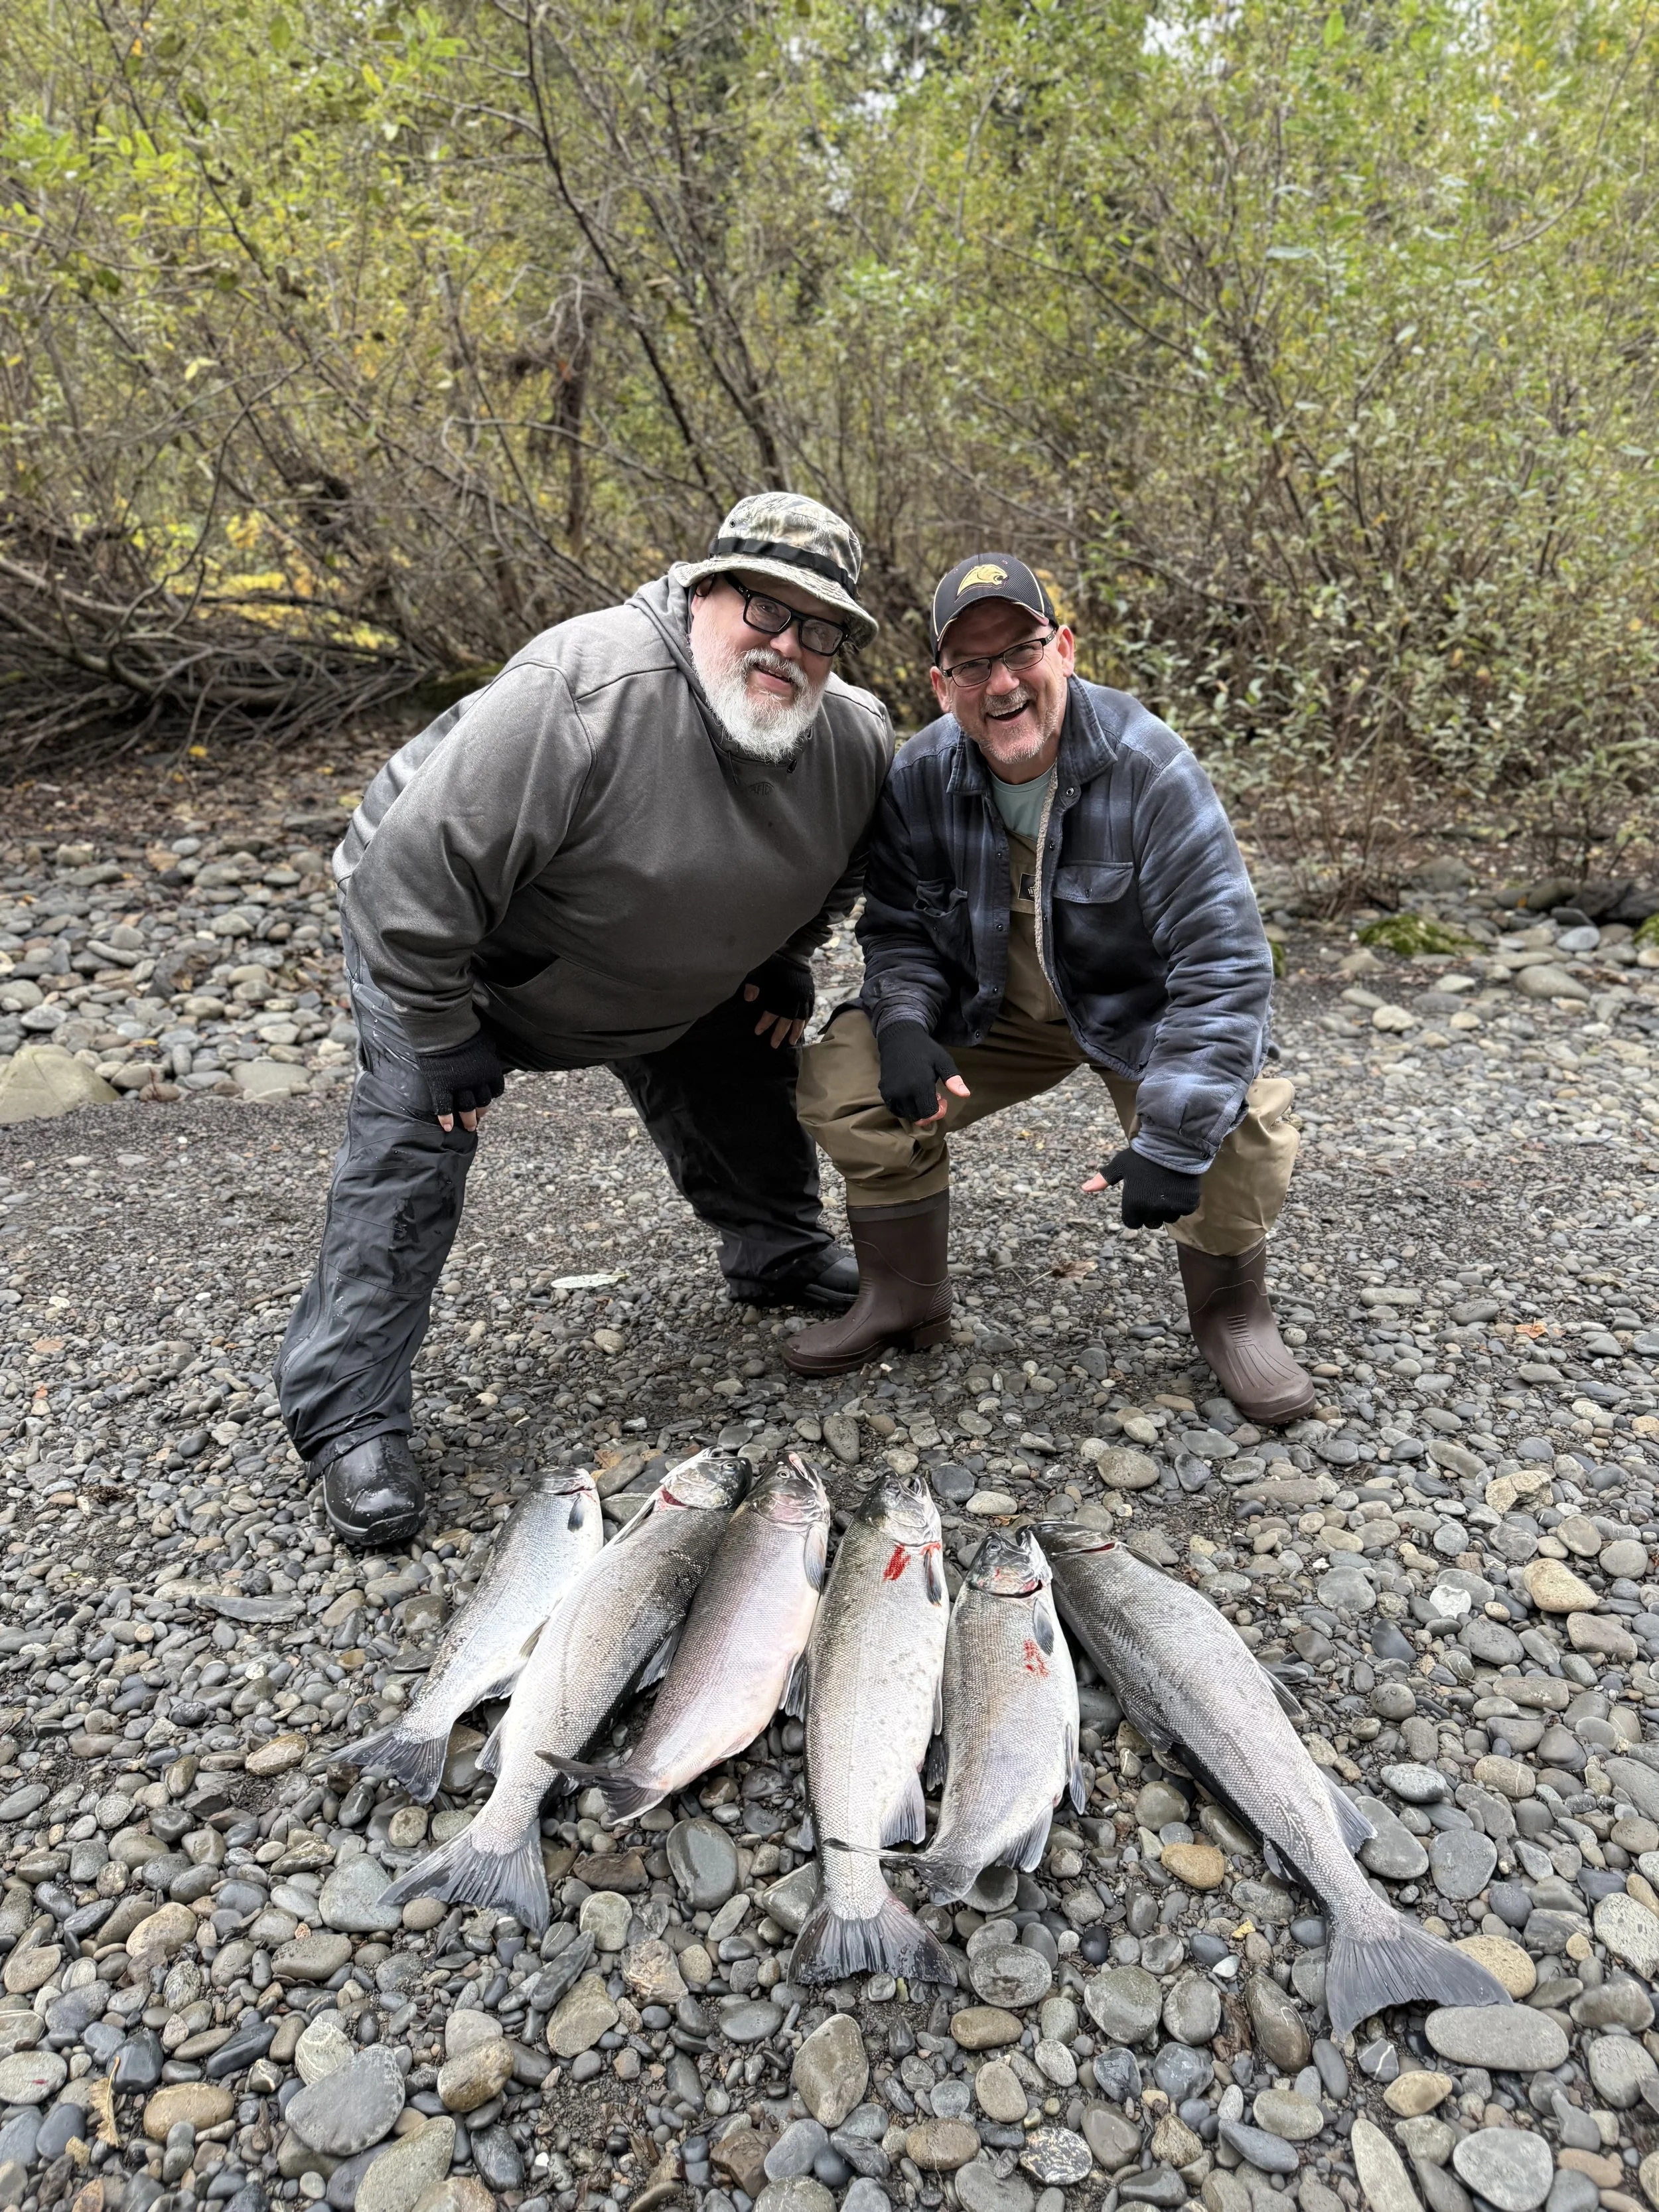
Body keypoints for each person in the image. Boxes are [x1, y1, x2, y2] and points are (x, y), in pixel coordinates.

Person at [277, 493, 893, 1548]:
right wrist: (436, 1033)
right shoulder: (583, 686)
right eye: (764, 609)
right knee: (416, 1134)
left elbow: (836, 879)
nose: (789, 645)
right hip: (465, 959)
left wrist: (783, 962)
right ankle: (351, 1417)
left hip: (666, 959)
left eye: (821, 628)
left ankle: (775, 1251)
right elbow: (405, 889)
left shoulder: (854, 740)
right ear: (705, 593)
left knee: (744, 1043)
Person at [784, 553, 1314, 1426]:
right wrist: (907, 1021)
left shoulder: (1150, 769)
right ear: (940, 682)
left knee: (1239, 1116)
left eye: (1021, 652)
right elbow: (901, 930)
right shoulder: (918, 777)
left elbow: (1225, 967)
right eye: (971, 665)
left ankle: (1232, 1315)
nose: (1001, 685)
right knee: (848, 1075)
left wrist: (1174, 1142)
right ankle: (903, 1295)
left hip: (1137, 1015)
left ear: (1064, 648)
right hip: (998, 1015)